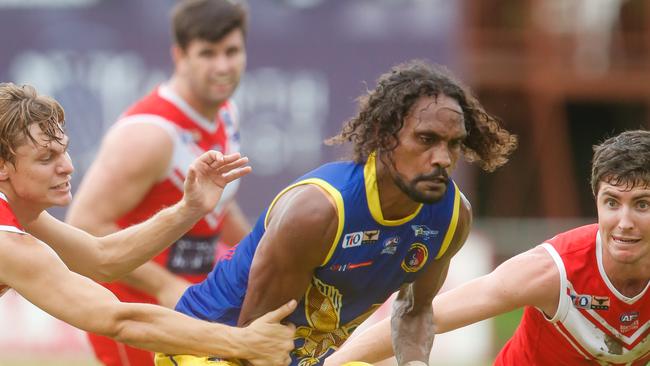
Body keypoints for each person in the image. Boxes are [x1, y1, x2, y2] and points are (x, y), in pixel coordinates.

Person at [157, 59, 518, 366]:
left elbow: (415, 310)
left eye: (454, 144)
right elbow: (255, 344)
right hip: (209, 349)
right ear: (383, 135)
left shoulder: (452, 217)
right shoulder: (319, 212)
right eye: (426, 140)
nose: (442, 158)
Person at [0, 82, 296, 366]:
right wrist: (244, 342)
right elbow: (118, 320)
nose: (68, 166)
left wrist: (189, 209)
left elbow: (102, 258)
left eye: (63, 150)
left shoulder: (22, 212)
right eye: (46, 158)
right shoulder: (8, 241)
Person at [325, 130, 650, 365]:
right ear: (596, 203)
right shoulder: (552, 272)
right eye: (611, 203)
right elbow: (425, 315)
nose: (624, 222)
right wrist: (335, 363)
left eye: (642, 205)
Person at [66, 0, 252, 364]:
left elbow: (218, 209)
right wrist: (164, 285)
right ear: (180, 55)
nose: (223, 66)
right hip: (131, 313)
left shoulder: (227, 113)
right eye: (208, 53)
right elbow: (84, 227)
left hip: (188, 307)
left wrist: (265, 256)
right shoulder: (150, 135)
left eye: (232, 51)